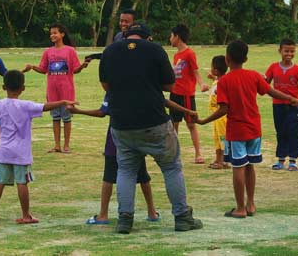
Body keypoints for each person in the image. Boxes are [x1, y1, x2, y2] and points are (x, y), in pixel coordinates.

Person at [99, 21, 202, 234]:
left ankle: (125, 219)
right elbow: (170, 85)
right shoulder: (155, 50)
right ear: (147, 38)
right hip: (154, 121)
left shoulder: (109, 51)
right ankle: (182, 216)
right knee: (171, 167)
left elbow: (106, 85)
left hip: (121, 123)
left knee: (126, 170)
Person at [0, 70, 74, 225]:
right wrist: (63, 102)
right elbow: (45, 106)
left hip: (4, 151)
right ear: (23, 88)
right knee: (22, 183)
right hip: (21, 153)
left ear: (3, 87)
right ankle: (26, 215)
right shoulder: (26, 106)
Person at [197, 40, 298, 219]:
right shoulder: (253, 76)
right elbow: (270, 91)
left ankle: (240, 208)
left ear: (227, 59)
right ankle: (250, 204)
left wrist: (203, 121)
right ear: (245, 58)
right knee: (250, 166)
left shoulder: (224, 81)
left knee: (238, 167)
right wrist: (290, 98)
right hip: (254, 129)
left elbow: (223, 109)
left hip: (236, 131)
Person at [71, 91, 198, 225]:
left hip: (119, 138)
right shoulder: (142, 85)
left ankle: (106, 215)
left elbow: (102, 112)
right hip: (143, 135)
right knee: (143, 176)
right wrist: (186, 110)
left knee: (111, 176)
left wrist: (78, 111)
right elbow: (162, 100)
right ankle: (152, 212)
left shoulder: (115, 89)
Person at [23, 23, 88, 153]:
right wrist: (32, 67)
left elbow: (75, 69)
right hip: (52, 91)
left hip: (67, 90)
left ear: (62, 34)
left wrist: (82, 66)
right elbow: (43, 69)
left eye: (55, 33)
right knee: (55, 118)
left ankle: (66, 145)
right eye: (51, 33)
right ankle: (57, 145)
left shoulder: (70, 50)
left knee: (67, 118)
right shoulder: (48, 52)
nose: (52, 35)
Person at [264, 39, 298, 171]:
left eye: (292, 51)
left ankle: (293, 160)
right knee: (281, 132)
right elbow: (265, 84)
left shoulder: (297, 69)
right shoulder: (273, 67)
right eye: (286, 51)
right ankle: (280, 159)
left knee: (294, 132)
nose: (289, 54)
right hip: (278, 105)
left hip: (294, 107)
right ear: (280, 51)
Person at [168, 24, 204, 164]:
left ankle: (198, 154)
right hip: (175, 94)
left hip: (187, 95)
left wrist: (202, 85)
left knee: (191, 124)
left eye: (171, 36)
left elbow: (196, 72)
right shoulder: (176, 55)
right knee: (174, 124)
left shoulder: (189, 54)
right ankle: (174, 154)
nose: (170, 39)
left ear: (177, 36)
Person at [203, 55, 229, 170]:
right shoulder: (218, 80)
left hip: (221, 116)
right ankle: (218, 159)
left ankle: (224, 161)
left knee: (223, 138)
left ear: (216, 70)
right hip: (215, 116)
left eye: (212, 67)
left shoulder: (223, 82)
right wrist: (213, 78)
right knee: (216, 138)